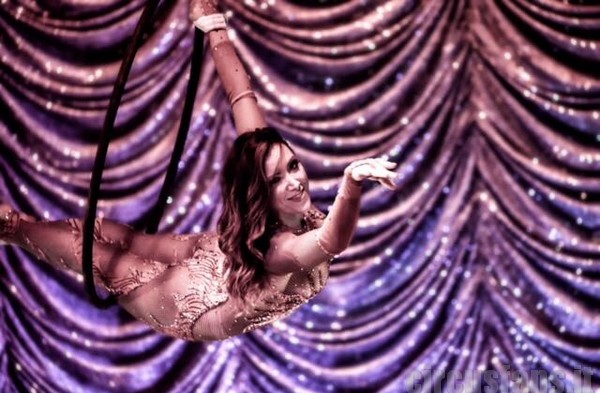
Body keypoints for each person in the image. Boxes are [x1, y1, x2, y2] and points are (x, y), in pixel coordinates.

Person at [0, 0, 397, 342]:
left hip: (188, 304)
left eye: (293, 166)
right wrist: (213, 25)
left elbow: (331, 240)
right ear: (257, 193)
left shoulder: (281, 251)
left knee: (105, 261)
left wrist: (351, 186)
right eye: (276, 179)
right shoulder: (271, 229)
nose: (294, 182)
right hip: (213, 258)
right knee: (109, 234)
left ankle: (12, 227)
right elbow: (241, 95)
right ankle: (13, 226)